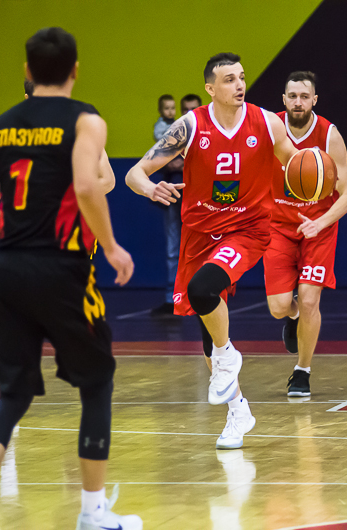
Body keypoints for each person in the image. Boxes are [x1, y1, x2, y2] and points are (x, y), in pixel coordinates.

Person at [0, 27, 139, 530]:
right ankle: (92, 511)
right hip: (62, 268)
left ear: (27, 71)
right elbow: (87, 185)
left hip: (6, 269)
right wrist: (111, 246)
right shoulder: (85, 121)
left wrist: (8, 231)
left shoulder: (1, 125)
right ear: (75, 70)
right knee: (96, 381)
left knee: (12, 391)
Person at [126, 53, 298, 449]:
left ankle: (227, 355)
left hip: (246, 230)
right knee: (206, 332)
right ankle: (238, 410)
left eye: (242, 77)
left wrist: (315, 178)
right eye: (229, 79)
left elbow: (295, 166)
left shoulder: (267, 123)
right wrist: (151, 188)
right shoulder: (190, 127)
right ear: (210, 88)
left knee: (203, 290)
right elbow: (134, 173)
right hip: (200, 234)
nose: (239, 85)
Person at [0, 79, 116, 411]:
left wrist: (68, 191)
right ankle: (6, 395)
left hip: (68, 238)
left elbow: (108, 180)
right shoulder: (11, 132)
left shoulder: (82, 127)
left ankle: (91, 388)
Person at [264, 71, 347, 397]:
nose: (298, 102)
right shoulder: (270, 128)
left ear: (314, 100)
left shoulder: (329, 136)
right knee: (279, 306)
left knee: (309, 299)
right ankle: (292, 317)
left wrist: (321, 222)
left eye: (305, 96)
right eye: (293, 96)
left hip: (318, 227)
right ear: (284, 99)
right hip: (278, 226)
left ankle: (302, 370)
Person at [150, 95, 202, 316]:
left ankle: (202, 296)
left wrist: (185, 161)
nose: (189, 113)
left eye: (193, 109)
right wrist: (171, 163)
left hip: (200, 197)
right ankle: (171, 299)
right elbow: (160, 160)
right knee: (173, 249)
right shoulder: (174, 132)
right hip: (174, 192)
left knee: (201, 247)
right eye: (185, 110)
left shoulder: (208, 132)